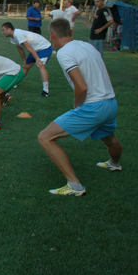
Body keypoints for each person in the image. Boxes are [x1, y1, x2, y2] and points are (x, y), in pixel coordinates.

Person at [38, 18, 123, 196]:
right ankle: (114, 163)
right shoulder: (87, 46)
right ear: (71, 32)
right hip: (110, 103)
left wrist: (77, 105)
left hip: (93, 107)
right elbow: (104, 72)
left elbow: (81, 86)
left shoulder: (63, 53)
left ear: (52, 36)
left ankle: (75, 185)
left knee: (45, 137)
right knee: (109, 139)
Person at [1, 22, 52, 97]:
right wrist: (24, 61)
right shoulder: (13, 38)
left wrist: (37, 58)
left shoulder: (17, 34)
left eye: (3, 30)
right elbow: (20, 49)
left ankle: (46, 91)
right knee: (25, 67)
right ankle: (14, 83)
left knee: (40, 65)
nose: (2, 32)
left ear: (9, 29)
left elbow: (27, 46)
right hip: (34, 49)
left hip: (44, 47)